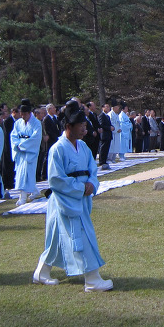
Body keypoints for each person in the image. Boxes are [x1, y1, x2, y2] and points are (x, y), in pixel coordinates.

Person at [32, 101, 113, 291]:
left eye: (85, 125)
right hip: (64, 200)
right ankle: (92, 279)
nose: (85, 129)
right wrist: (79, 187)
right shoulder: (57, 149)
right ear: (69, 126)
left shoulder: (83, 147)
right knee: (80, 236)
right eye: (81, 126)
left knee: (56, 239)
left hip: (81, 198)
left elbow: (92, 169)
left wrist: (91, 183)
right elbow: (56, 179)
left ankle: (41, 272)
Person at [12, 102, 43, 205]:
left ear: (29, 113)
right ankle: (34, 190)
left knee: (26, 173)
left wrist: (23, 145)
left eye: (25, 114)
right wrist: (17, 145)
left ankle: (23, 197)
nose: (23, 116)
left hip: (30, 151)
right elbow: (13, 135)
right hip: (20, 152)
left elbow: (35, 137)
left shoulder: (36, 123)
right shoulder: (18, 123)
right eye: (21, 114)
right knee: (21, 173)